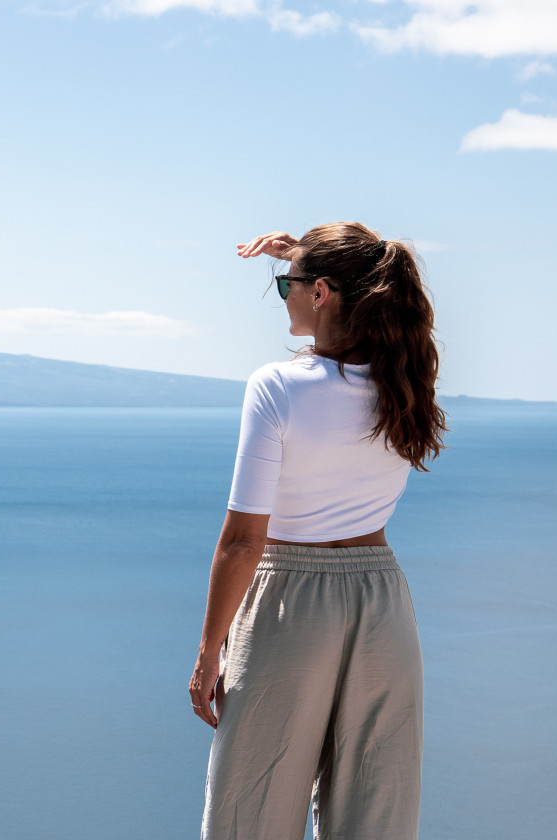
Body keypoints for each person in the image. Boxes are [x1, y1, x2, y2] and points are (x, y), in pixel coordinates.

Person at [189, 222, 448, 840]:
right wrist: (300, 259)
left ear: (322, 293)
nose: (284, 295)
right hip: (382, 603)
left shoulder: (276, 387)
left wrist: (207, 655)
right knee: (377, 812)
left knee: (251, 810)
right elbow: (369, 267)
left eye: (289, 286)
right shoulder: (405, 384)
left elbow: (243, 541)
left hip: (290, 603)